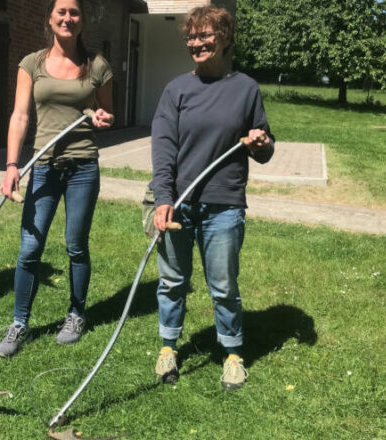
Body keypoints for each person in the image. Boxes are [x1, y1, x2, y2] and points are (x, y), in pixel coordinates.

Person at [150, 6, 274, 390]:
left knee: (223, 284)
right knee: (172, 280)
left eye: (205, 35)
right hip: (180, 202)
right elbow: (164, 147)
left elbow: (265, 148)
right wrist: (163, 197)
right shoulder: (176, 90)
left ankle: (233, 353)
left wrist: (260, 142)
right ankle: (168, 347)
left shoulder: (246, 89)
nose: (197, 43)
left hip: (224, 202)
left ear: (224, 38)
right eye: (192, 36)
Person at [0, 0, 115, 358]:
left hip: (82, 167)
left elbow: (108, 113)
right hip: (44, 166)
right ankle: (19, 323)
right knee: (31, 248)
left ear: (82, 20)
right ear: (50, 18)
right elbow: (19, 116)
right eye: (61, 11)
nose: (67, 18)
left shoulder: (97, 65)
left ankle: (76, 314)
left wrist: (101, 119)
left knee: (76, 245)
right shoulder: (31, 63)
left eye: (74, 12)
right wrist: (12, 165)